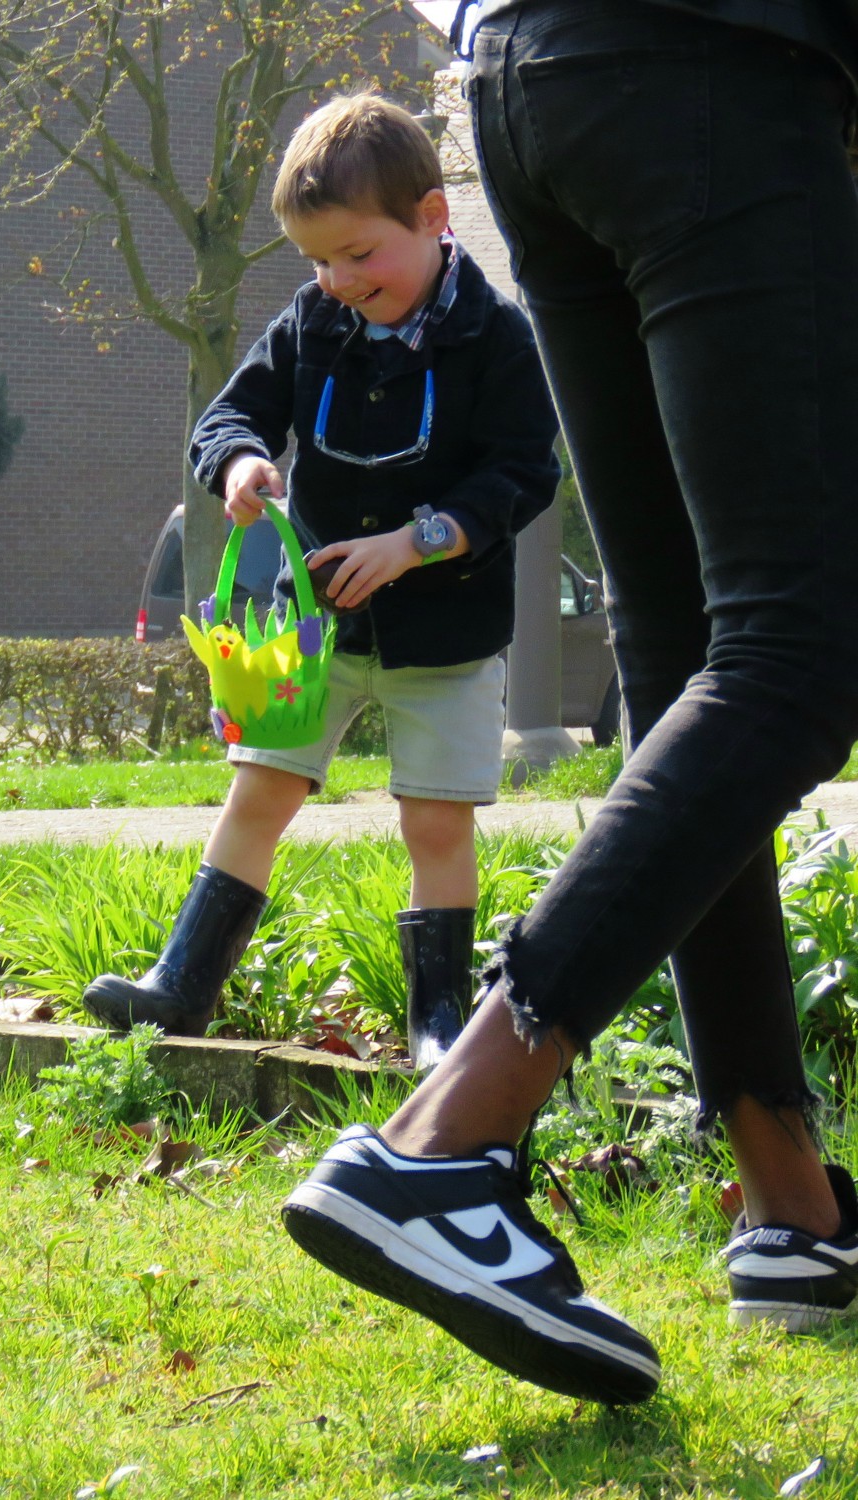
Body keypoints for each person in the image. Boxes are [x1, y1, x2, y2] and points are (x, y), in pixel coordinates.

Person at [281, 0, 858, 1408]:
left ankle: (790, 1203)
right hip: (717, 71)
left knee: (689, 658)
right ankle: (440, 1147)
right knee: (799, 652)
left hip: (529, 83)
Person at [83, 94, 560, 1072]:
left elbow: (521, 470)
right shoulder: (311, 322)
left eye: (358, 256)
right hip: (310, 630)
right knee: (259, 792)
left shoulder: (495, 337)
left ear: (433, 219)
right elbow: (227, 416)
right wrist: (239, 466)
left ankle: (436, 1024)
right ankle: (181, 985)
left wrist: (416, 542)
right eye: (316, 261)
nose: (337, 281)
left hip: (445, 629)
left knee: (433, 819)